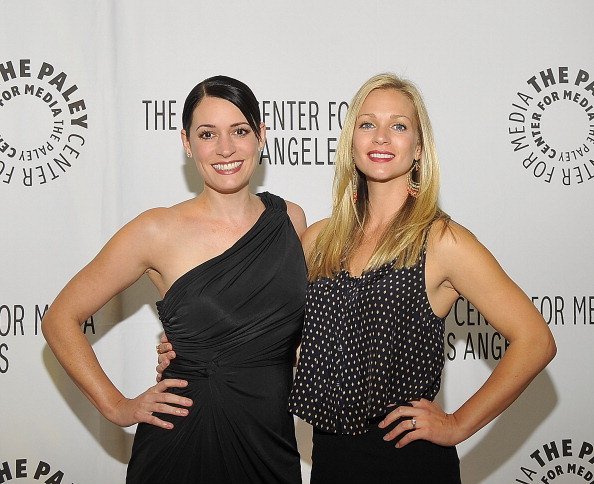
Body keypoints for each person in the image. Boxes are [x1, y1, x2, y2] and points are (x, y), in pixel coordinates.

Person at [157, 73, 556, 483]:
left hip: (409, 463)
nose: (381, 137)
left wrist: (457, 423)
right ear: (352, 141)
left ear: (418, 148)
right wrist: (196, 343)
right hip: (330, 459)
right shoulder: (319, 240)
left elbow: (535, 341)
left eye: (398, 126)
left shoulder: (441, 241)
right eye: (367, 124)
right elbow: (271, 327)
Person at [42, 75, 307, 483]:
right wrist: (118, 407)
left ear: (261, 135)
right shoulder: (157, 230)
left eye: (239, 130)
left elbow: (292, 337)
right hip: (182, 443)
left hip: (269, 442)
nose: (225, 148)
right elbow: (60, 318)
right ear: (187, 143)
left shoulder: (290, 220)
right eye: (207, 134)